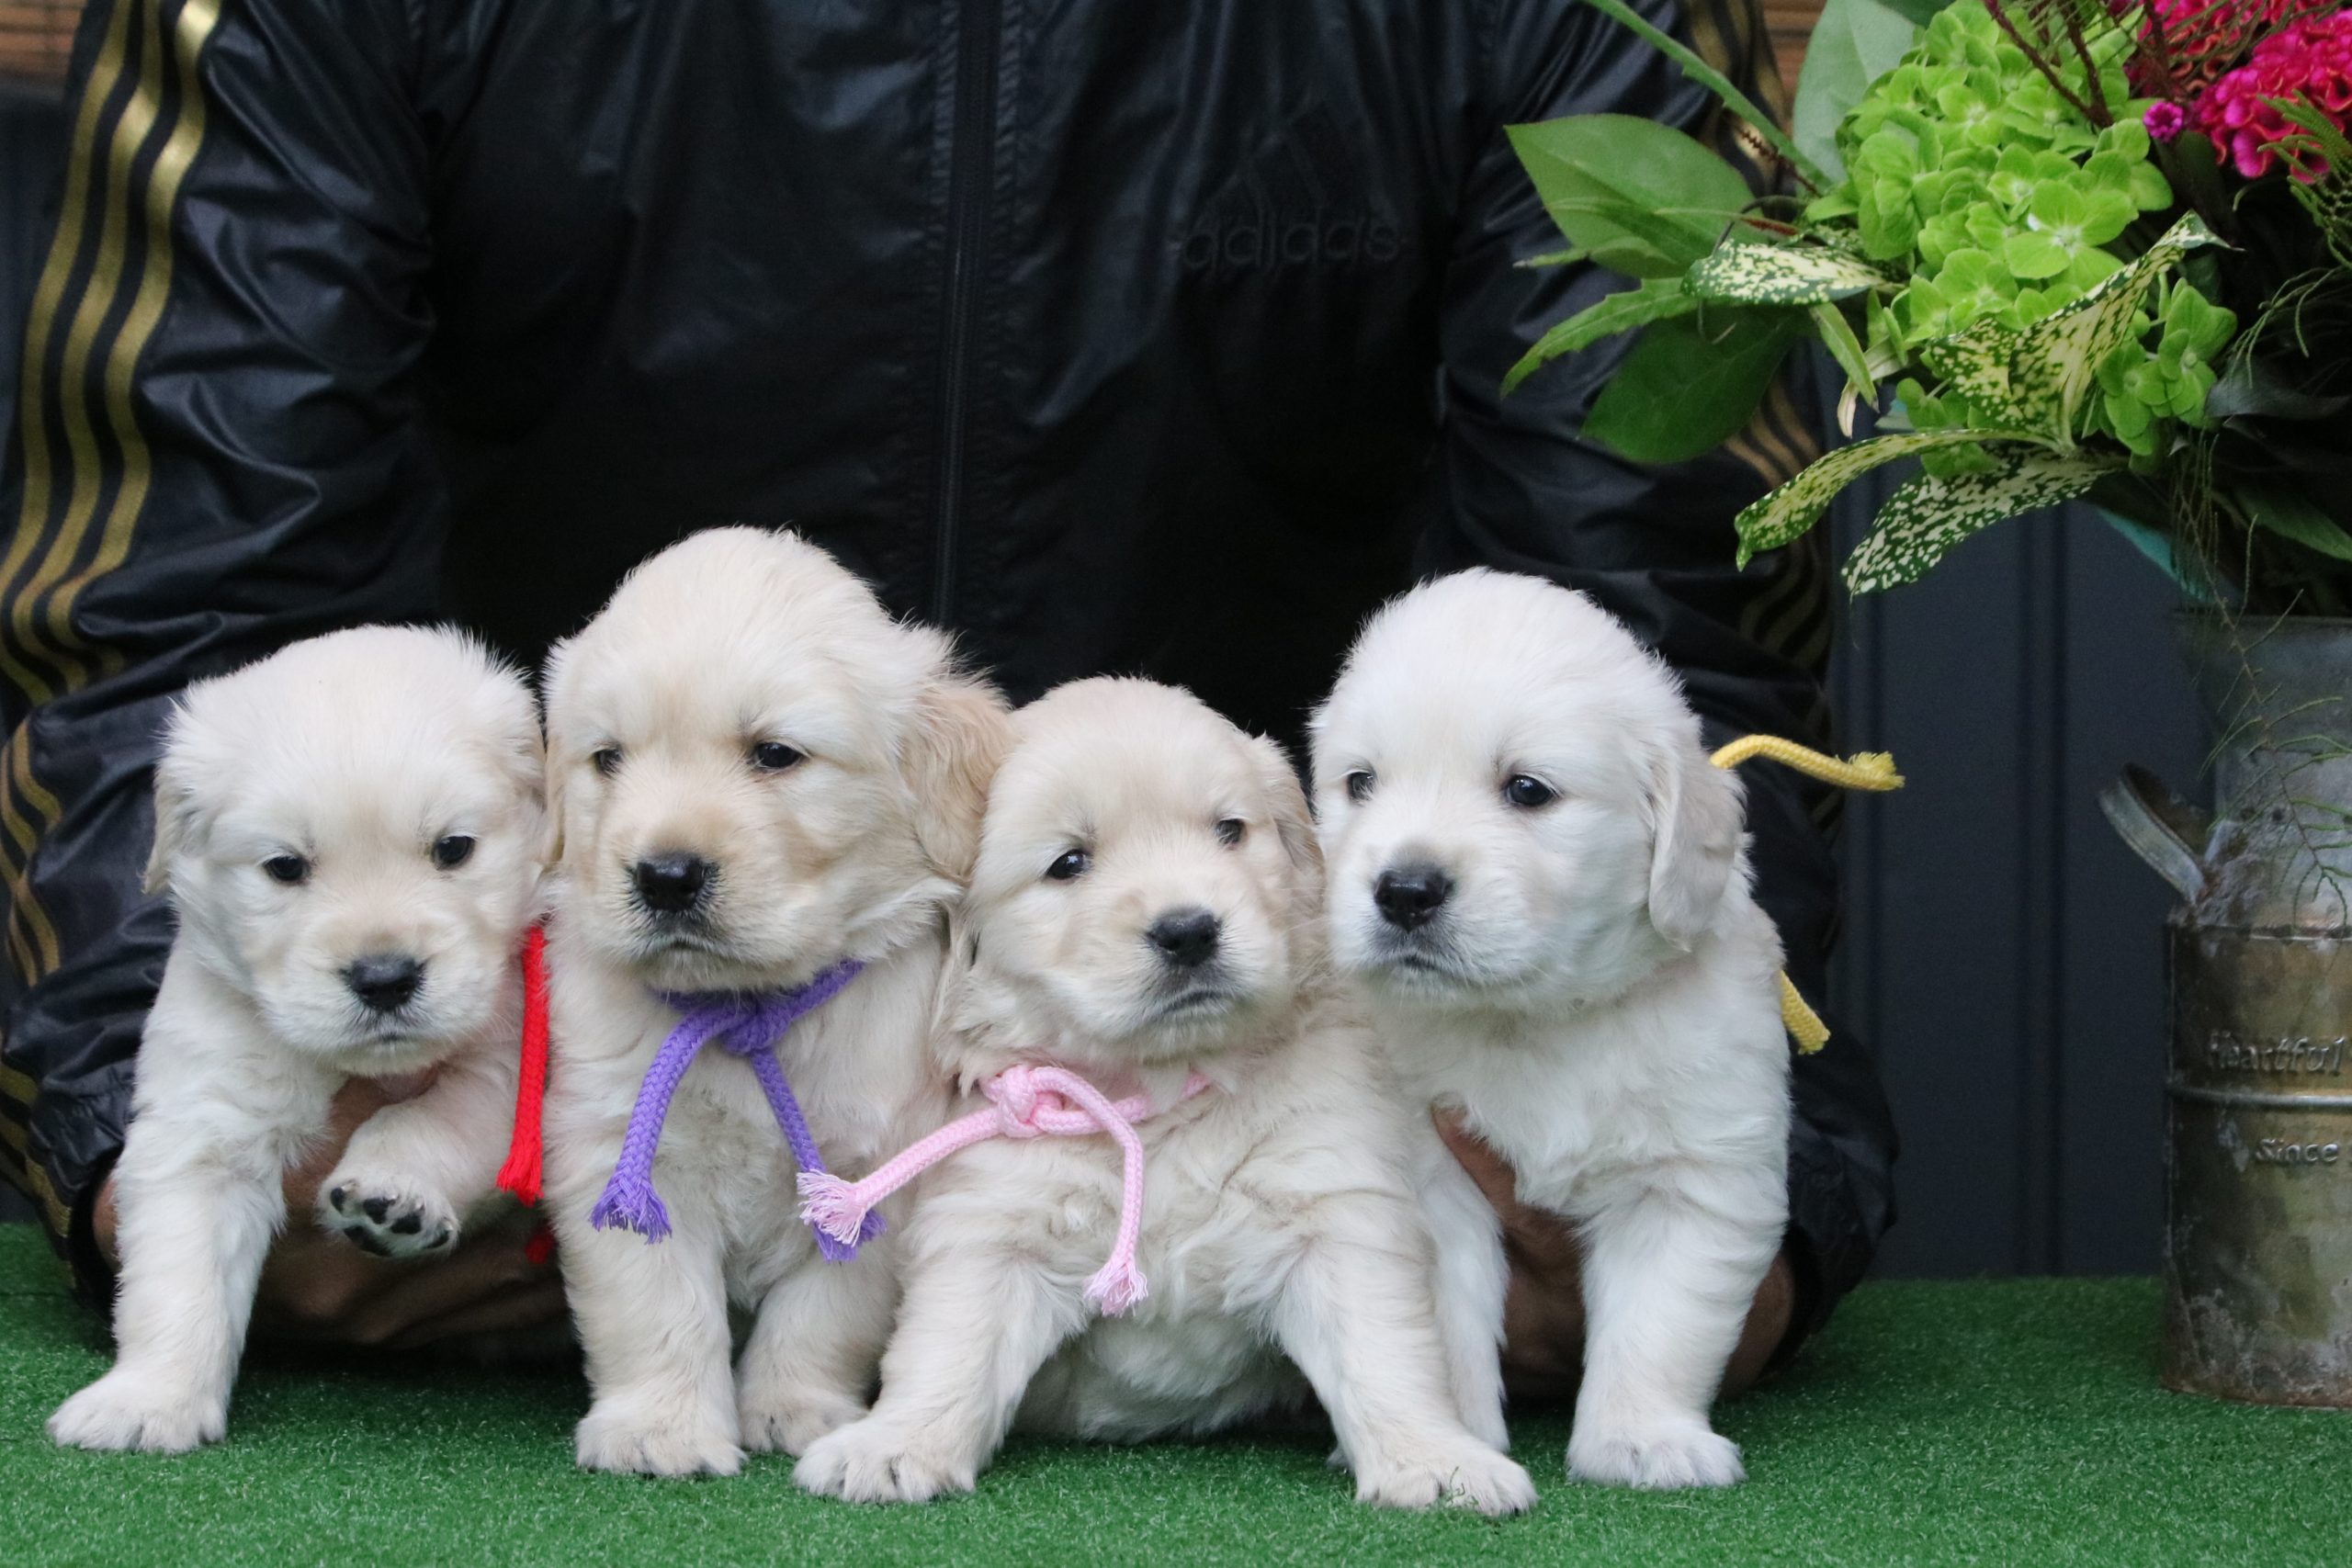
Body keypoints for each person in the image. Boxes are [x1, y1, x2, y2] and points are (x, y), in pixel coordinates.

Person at [0, 0, 1895, 1394]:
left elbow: (1662, 641)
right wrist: (155, 1139)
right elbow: (164, 626)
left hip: (1289, 1194)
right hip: (558, 1171)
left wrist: (1710, 1184)